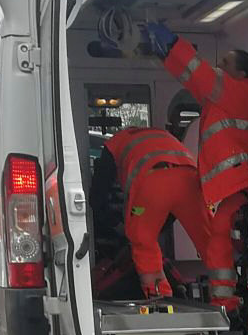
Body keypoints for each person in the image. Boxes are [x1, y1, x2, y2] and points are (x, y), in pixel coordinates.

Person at [141, 23, 248, 316]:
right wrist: (166, 56)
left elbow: (198, 72)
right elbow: (194, 79)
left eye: (225, 63)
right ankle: (228, 300)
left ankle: (225, 302)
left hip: (238, 183)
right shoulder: (234, 95)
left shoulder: (235, 91)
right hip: (239, 184)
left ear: (242, 74)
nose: (218, 67)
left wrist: (172, 44)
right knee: (221, 242)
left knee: (218, 245)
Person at [89, 127, 214, 299]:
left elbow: (97, 197)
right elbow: (169, 210)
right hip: (191, 180)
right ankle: (229, 299)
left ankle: (160, 298)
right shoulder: (159, 135)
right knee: (211, 242)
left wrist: (117, 226)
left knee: (143, 242)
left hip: (153, 182)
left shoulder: (114, 144)